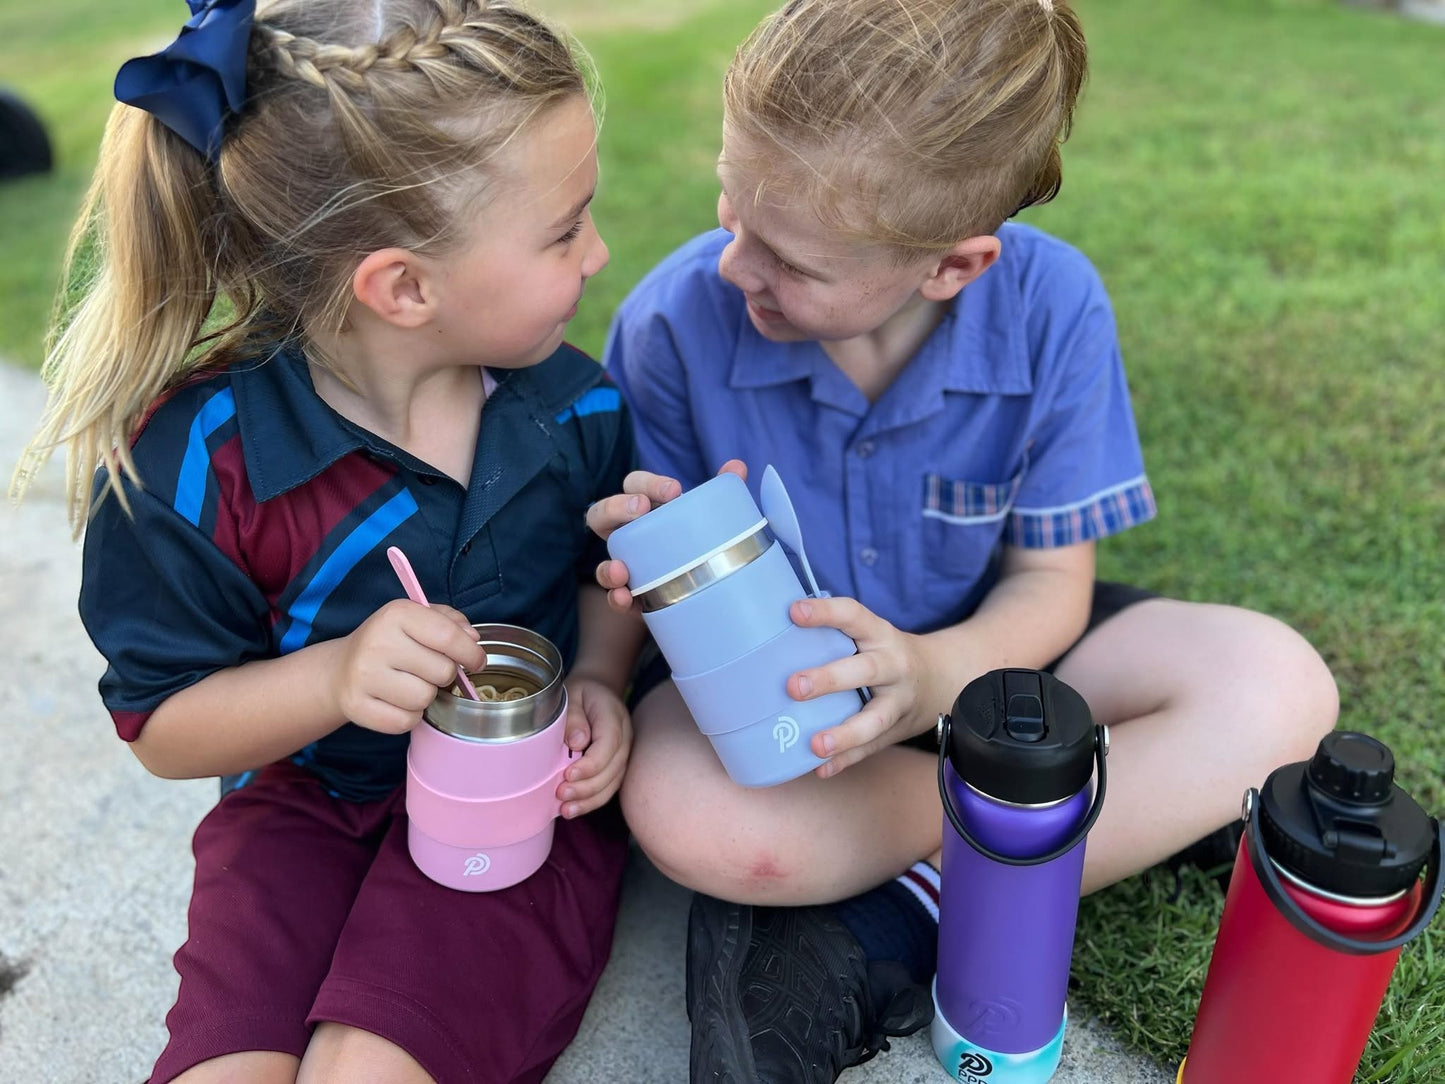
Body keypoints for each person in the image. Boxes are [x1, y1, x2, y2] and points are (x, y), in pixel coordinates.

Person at [585, 1, 1340, 1081]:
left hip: (992, 655)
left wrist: (936, 671)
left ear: (951, 265)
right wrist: (629, 600)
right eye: (729, 208)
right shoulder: (671, 323)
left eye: (788, 257)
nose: (733, 266)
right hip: (791, 714)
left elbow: (1047, 581)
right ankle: (1024, 836)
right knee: (683, 810)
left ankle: (902, 896)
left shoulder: (1053, 309)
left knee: (1275, 682)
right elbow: (650, 588)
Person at [12, 2, 641, 1082]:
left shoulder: (571, 411)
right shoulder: (197, 462)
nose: (600, 249)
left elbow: (597, 578)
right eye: (562, 229)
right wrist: (335, 676)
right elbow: (163, 723)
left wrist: (596, 675)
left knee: (372, 1066)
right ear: (403, 287)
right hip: (296, 809)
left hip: (516, 798)